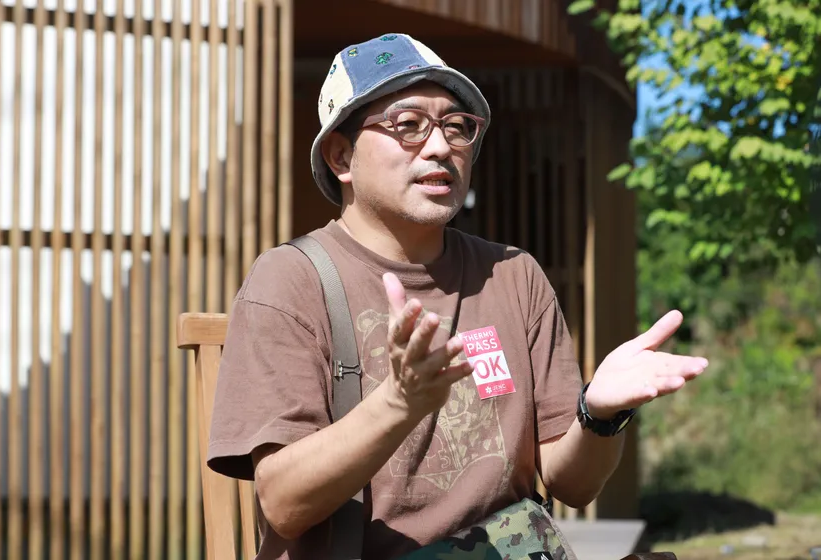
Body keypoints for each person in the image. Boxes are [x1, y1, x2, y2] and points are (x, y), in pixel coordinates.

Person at [206, 33, 709, 559]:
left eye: (456, 126)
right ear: (341, 155)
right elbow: (284, 504)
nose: (441, 147)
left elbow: (574, 485)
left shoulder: (512, 275)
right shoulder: (291, 280)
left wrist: (598, 414)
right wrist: (399, 403)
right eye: (408, 124)